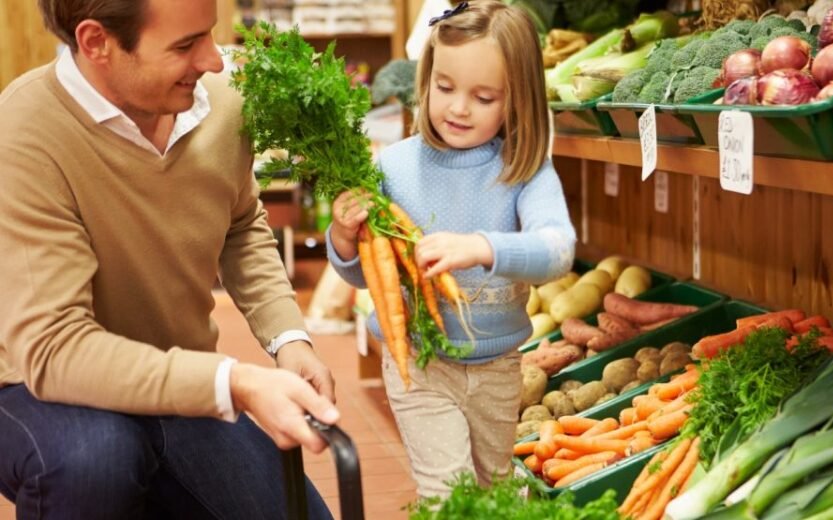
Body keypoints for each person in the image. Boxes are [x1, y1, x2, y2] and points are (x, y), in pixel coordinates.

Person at [0, 1, 339, 518]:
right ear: (96, 43)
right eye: (185, 45)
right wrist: (236, 382)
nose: (215, 62)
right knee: (98, 459)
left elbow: (241, 224)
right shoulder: (24, 132)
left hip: (175, 375)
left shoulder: (220, 103)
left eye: (208, 34)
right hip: (31, 385)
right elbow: (56, 350)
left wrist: (288, 337)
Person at [327, 0, 577, 498]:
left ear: (517, 101)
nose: (458, 107)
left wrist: (482, 248)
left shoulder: (523, 170)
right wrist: (342, 238)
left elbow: (557, 251)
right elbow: (365, 276)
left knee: (494, 490)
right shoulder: (393, 168)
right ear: (427, 80)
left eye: (484, 97)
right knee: (448, 494)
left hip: (500, 368)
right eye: (444, 88)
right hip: (419, 365)